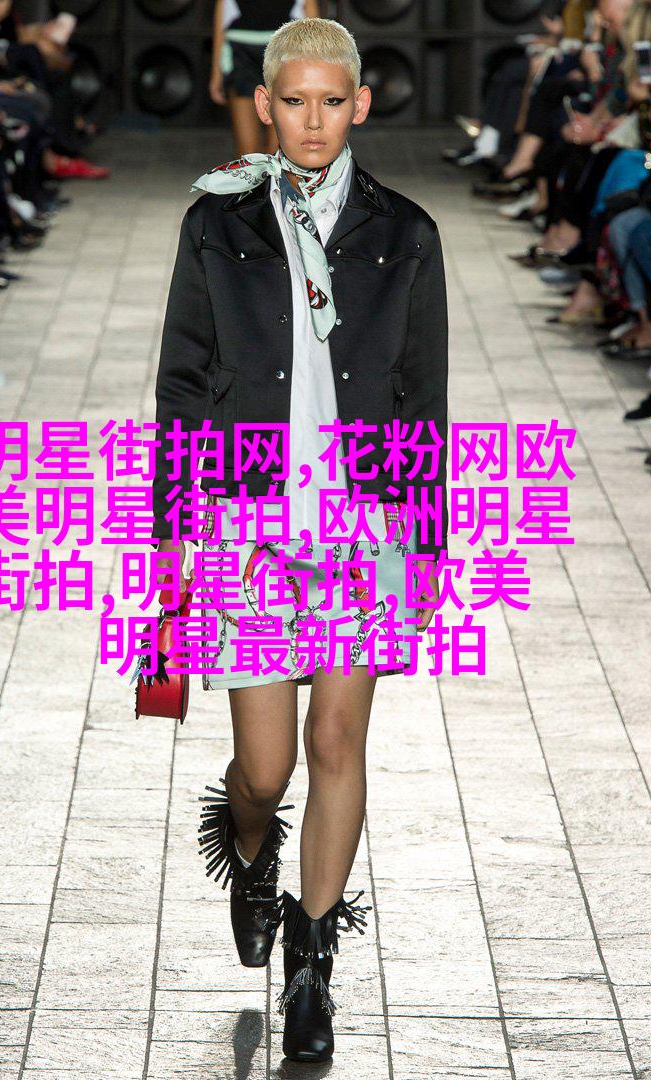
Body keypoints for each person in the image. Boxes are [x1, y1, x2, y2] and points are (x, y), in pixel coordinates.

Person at [152, 16, 448, 1064]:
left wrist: (426, 539)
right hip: (247, 519)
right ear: (263, 105)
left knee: (335, 742)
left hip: (365, 521)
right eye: (294, 101)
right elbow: (183, 384)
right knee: (266, 768)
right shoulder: (217, 222)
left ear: (360, 104)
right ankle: (249, 850)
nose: (313, 121)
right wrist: (171, 537)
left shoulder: (405, 231)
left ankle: (312, 965)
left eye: (332, 101)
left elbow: (421, 393)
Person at [209, 0, 319, 156]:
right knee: (247, 151)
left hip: (284, 51)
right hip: (241, 53)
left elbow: (310, 13)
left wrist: (314, 67)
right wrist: (216, 71)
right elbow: (223, 11)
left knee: (279, 148)